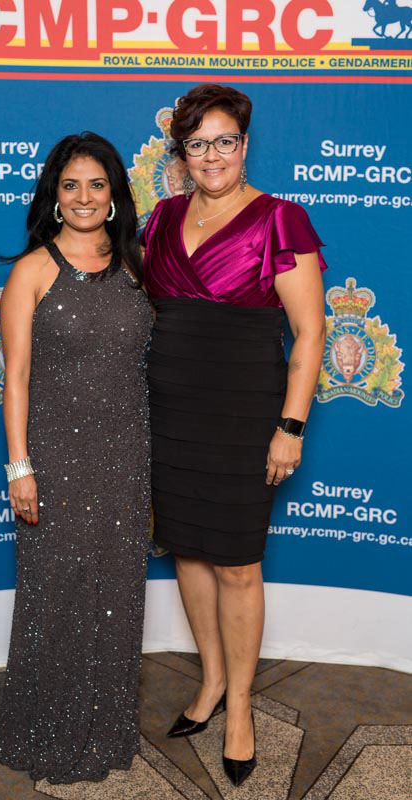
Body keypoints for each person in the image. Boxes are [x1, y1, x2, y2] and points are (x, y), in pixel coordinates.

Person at [141, 84, 327, 788]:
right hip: (170, 415)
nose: (212, 155)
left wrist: (289, 427)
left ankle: (241, 704)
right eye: (197, 144)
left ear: (244, 145)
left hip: (245, 415)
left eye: (224, 140)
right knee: (189, 550)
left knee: (238, 564)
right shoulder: (160, 219)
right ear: (181, 154)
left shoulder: (280, 219)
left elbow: (310, 332)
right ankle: (212, 680)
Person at [0, 133, 152, 784]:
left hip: (127, 453)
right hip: (54, 456)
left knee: (116, 593)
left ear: (114, 195)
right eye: (71, 185)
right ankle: (44, 729)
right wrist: (18, 466)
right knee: (55, 593)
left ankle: (106, 727)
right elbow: (16, 379)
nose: (84, 197)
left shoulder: (139, 265)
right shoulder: (32, 270)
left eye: (96, 185)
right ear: (54, 196)